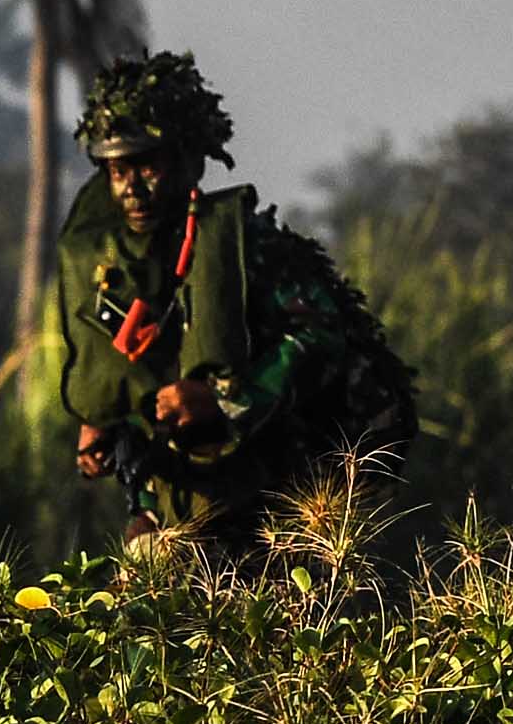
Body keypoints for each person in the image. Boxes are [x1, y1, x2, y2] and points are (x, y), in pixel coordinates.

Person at [51, 52, 415, 553]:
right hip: (184, 498)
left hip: (291, 494)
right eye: (116, 172)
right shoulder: (122, 270)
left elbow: (322, 339)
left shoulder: (248, 248)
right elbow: (129, 381)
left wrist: (224, 399)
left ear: (184, 162)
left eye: (146, 165)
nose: (132, 188)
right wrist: (107, 430)